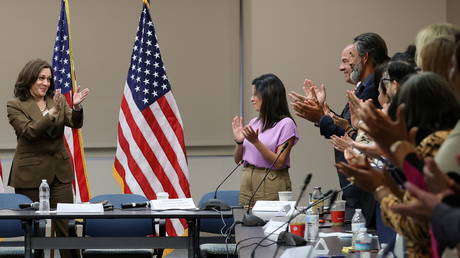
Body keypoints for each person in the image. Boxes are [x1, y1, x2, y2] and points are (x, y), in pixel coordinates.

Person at [7, 59, 89, 258]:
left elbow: (74, 123)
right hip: (29, 174)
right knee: (35, 228)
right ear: (29, 79)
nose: (45, 83)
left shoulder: (56, 100)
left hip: (60, 173)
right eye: (41, 78)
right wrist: (51, 113)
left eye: (48, 79)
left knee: (66, 227)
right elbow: (29, 132)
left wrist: (75, 107)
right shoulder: (15, 105)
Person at [232, 73, 299, 206]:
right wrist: (239, 142)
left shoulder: (286, 124)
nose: (252, 99)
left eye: (255, 94)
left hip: (271, 181)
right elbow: (237, 160)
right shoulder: (254, 122)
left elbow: (279, 162)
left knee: (269, 223)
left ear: (269, 96)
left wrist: (256, 142)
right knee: (245, 223)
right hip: (247, 178)